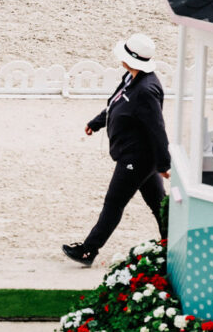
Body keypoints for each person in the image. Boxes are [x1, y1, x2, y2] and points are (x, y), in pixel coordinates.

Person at [63, 33, 171, 266]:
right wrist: (97, 122)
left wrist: (164, 164)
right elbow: (116, 105)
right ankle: (172, 244)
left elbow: (157, 129)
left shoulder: (146, 91)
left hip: (137, 159)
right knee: (158, 204)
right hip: (140, 157)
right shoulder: (131, 78)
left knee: (114, 203)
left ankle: (88, 250)